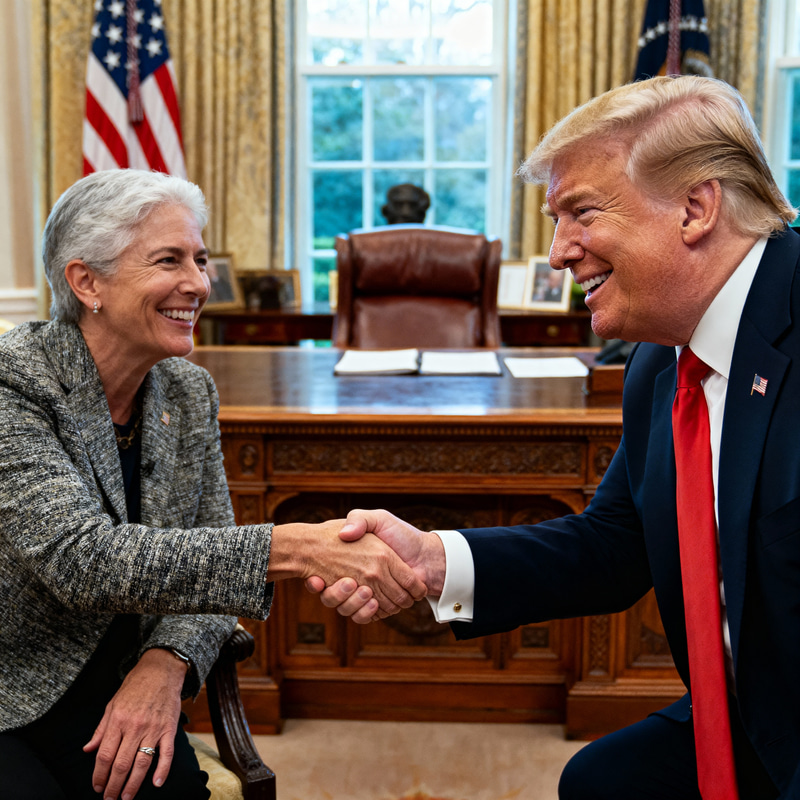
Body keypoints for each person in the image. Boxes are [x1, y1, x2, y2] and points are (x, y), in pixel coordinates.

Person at [310, 75, 800, 799]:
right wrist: (433, 562)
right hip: (745, 713)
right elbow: (614, 546)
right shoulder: (660, 364)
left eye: (581, 213)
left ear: (696, 208)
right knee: (598, 784)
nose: (559, 253)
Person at [0, 169, 426, 800]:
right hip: (11, 687)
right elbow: (82, 559)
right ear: (86, 281)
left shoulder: (185, 389)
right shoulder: (17, 385)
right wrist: (300, 546)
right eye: (169, 260)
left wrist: (165, 664)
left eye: (199, 259)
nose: (199, 284)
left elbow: (210, 564)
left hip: (121, 682)